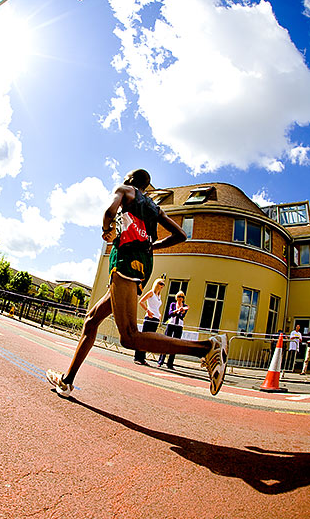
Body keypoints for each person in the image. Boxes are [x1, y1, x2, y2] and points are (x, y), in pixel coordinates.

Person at [45, 169, 228, 398]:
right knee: (92, 320)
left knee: (129, 336)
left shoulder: (125, 191)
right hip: (143, 264)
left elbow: (109, 211)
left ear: (131, 181)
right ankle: (67, 382)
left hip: (126, 262)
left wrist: (106, 230)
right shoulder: (154, 208)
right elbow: (181, 235)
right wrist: (152, 246)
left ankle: (206, 347)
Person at [133, 277, 165, 365]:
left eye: (163, 284)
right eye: (161, 284)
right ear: (157, 284)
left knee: (149, 339)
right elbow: (141, 301)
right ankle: (137, 357)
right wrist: (148, 310)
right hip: (149, 318)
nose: (162, 286)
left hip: (156, 319)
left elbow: (156, 307)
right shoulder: (151, 293)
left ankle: (142, 358)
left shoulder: (159, 296)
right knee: (144, 337)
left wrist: (159, 315)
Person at [159, 290, 189, 369]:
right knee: (166, 341)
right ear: (176, 297)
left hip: (179, 325)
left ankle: (170, 363)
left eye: (182, 297)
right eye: (179, 296)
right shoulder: (173, 304)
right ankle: (161, 361)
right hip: (171, 323)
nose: (180, 298)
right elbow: (170, 313)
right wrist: (176, 311)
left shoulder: (185, 306)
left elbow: (182, 316)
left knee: (175, 344)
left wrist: (182, 312)